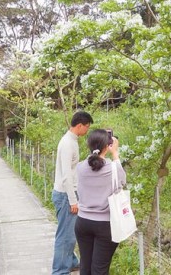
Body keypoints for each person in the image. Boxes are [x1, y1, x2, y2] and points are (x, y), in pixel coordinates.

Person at [75, 129, 126, 275]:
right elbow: (122, 181)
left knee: (85, 266)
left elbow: (91, 162)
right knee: (99, 269)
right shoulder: (113, 168)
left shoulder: (80, 167)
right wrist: (115, 153)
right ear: (108, 146)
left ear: (88, 145)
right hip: (105, 225)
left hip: (82, 222)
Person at [52, 111, 94, 275]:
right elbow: (66, 176)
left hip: (66, 193)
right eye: (87, 127)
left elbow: (72, 168)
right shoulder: (68, 144)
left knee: (71, 233)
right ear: (79, 125)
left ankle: (71, 262)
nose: (87, 130)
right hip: (65, 195)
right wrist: (72, 201)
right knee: (65, 236)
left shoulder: (71, 141)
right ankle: (60, 271)